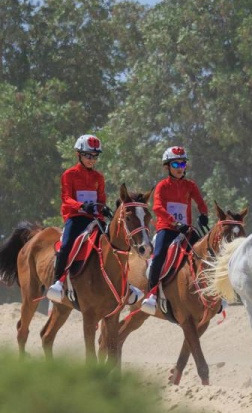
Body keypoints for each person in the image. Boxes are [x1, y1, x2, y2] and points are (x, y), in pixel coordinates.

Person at [46, 135, 143, 305]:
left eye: (95, 156)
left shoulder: (99, 177)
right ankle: (59, 282)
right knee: (67, 245)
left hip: (95, 219)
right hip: (76, 218)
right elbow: (66, 198)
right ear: (79, 154)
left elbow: (101, 198)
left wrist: (103, 208)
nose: (92, 160)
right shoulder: (69, 175)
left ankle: (125, 284)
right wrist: (83, 206)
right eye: (88, 155)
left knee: (115, 245)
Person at [141, 146, 209, 316]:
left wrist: (203, 214)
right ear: (167, 167)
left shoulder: (190, 185)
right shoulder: (162, 186)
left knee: (205, 254)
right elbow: (157, 207)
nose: (180, 168)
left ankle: (212, 292)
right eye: (176, 165)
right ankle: (152, 294)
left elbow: (200, 202)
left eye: (183, 164)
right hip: (167, 229)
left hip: (186, 230)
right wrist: (174, 222)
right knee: (158, 258)